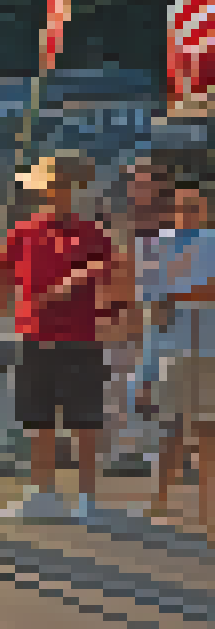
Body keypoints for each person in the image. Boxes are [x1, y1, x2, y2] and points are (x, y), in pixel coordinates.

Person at [0, 152, 116, 522]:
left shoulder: (95, 235)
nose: (57, 193)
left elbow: (113, 282)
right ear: (42, 192)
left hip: (82, 336)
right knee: (38, 420)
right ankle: (42, 493)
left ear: (74, 190)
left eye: (64, 186)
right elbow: (2, 280)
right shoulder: (22, 233)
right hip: (33, 335)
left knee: (85, 422)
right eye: (51, 187)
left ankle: (86, 499)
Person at [137, 149, 215, 536]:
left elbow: (174, 294)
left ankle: (208, 515)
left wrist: (176, 291)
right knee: (170, 432)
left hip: (208, 354)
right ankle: (158, 505)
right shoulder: (156, 246)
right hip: (170, 352)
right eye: (182, 205)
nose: (188, 211)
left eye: (195, 205)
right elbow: (154, 306)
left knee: (206, 436)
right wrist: (145, 371)